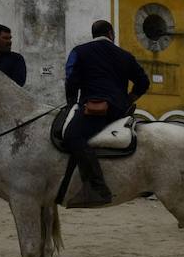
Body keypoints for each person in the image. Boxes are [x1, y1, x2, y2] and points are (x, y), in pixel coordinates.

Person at [63, 20, 150, 208]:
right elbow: (143, 82)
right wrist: (128, 99)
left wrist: (72, 103)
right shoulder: (125, 56)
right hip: (119, 109)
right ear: (111, 33)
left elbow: (71, 79)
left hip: (95, 109)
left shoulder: (80, 51)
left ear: (94, 34)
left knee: (73, 136)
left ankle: (97, 187)